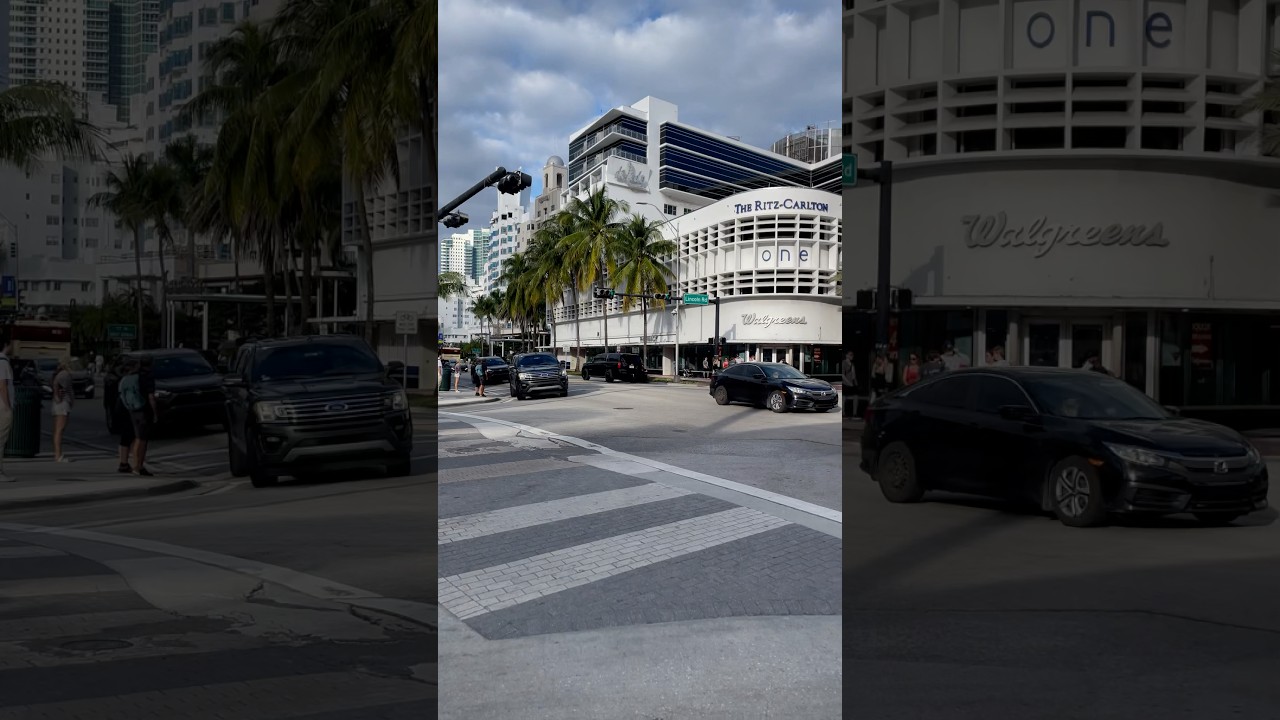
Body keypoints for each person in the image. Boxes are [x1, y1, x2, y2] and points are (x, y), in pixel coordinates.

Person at [119, 356, 157, 476]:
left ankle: (130, 464)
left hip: (130, 410)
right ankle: (138, 466)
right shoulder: (145, 378)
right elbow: (151, 397)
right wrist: (155, 413)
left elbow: (121, 395)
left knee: (134, 437)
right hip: (142, 410)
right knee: (141, 439)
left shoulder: (125, 379)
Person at [114, 359, 138, 473]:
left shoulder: (121, 379)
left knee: (126, 437)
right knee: (133, 436)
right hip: (130, 409)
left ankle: (124, 462)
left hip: (121, 408)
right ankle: (135, 462)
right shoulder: (132, 379)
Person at [51, 359, 74, 463]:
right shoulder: (65, 374)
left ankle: (57, 454)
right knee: (60, 430)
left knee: (57, 430)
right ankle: (58, 455)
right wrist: (57, 396)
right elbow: (56, 384)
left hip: (60, 404)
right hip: (63, 404)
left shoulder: (60, 373)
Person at [0, 333, 13, 482]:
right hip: (2, 408)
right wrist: (8, 406)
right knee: (1, 440)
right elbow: (3, 386)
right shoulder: (3, 362)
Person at [841, 350, 857, 417]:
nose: (852, 356)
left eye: (852, 355)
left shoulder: (852, 364)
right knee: (844, 398)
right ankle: (843, 413)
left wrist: (855, 383)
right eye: (850, 355)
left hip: (852, 384)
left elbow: (853, 374)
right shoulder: (844, 362)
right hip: (846, 384)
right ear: (847, 355)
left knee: (856, 397)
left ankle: (854, 413)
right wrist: (848, 382)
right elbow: (842, 374)